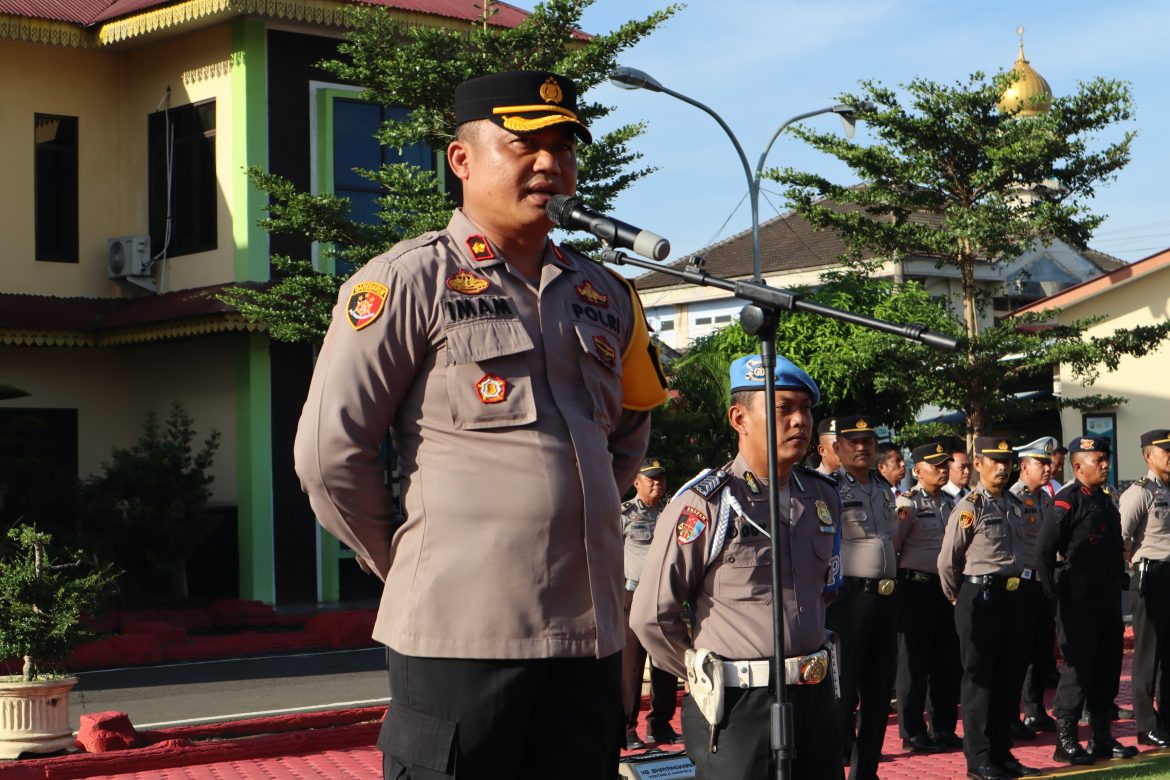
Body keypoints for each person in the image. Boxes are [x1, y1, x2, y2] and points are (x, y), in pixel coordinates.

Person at [293, 70, 667, 779]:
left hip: (586, 641)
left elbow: (625, 434)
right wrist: (410, 560)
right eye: (526, 144)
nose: (551, 164)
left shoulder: (605, 294)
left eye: (564, 147)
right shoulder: (406, 281)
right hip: (461, 639)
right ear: (461, 160)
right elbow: (328, 454)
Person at [632, 354, 844, 780]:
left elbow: (827, 588)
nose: (801, 421)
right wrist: (701, 673)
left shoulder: (822, 497)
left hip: (813, 698)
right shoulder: (707, 502)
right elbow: (651, 616)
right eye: (783, 409)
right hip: (737, 706)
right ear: (739, 418)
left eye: (806, 409)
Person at [937, 437, 1039, 780]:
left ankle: (1001, 752)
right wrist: (959, 598)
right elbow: (948, 562)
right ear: (978, 463)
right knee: (979, 680)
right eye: (995, 461)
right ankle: (978, 760)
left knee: (1008, 678)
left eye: (1007, 461)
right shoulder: (970, 506)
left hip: (1012, 596)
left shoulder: (1012, 502)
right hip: (979, 597)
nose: (1002, 467)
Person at [1038, 435, 1138, 766]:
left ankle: (1102, 738)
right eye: (1099, 459)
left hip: (1106, 598)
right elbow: (1043, 550)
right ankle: (1066, 741)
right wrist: (1052, 594)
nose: (1106, 464)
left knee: (1107, 669)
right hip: (1077, 600)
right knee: (1078, 670)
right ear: (1078, 466)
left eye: (1106, 458)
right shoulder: (1067, 501)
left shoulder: (1105, 500)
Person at [826, 414, 897, 780]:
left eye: (868, 441)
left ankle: (865, 772)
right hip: (848, 600)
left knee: (880, 691)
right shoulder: (828, 488)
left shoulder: (884, 488)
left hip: (885, 599)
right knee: (842, 691)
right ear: (837, 448)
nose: (861, 447)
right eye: (853, 442)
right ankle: (834, 767)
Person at [892, 442, 961, 753]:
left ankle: (944, 727)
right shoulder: (907, 503)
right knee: (914, 663)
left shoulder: (951, 503)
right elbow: (893, 546)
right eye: (936, 466)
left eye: (946, 465)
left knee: (946, 661)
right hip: (915, 588)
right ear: (918, 470)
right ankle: (912, 731)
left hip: (944, 590)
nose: (944, 470)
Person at [621, 457, 680, 750]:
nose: (657, 483)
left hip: (665, 596)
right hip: (632, 596)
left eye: (661, 478)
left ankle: (661, 724)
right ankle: (628, 728)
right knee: (631, 666)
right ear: (636, 482)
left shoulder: (673, 512)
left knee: (665, 664)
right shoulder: (623, 514)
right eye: (651, 478)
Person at [1119, 430, 1170, 748]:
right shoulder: (1140, 492)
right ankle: (1146, 723)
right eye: (1166, 451)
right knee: (1148, 656)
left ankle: (1166, 719)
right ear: (1148, 456)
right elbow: (1121, 539)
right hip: (1150, 575)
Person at [1008, 437, 1059, 739]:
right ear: (1025, 466)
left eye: (1049, 462)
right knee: (1018, 654)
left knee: (1041, 652)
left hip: (1043, 584)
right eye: (1042, 463)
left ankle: (1036, 710)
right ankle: (1013, 716)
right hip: (1022, 584)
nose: (1048, 468)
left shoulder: (1045, 499)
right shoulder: (1013, 498)